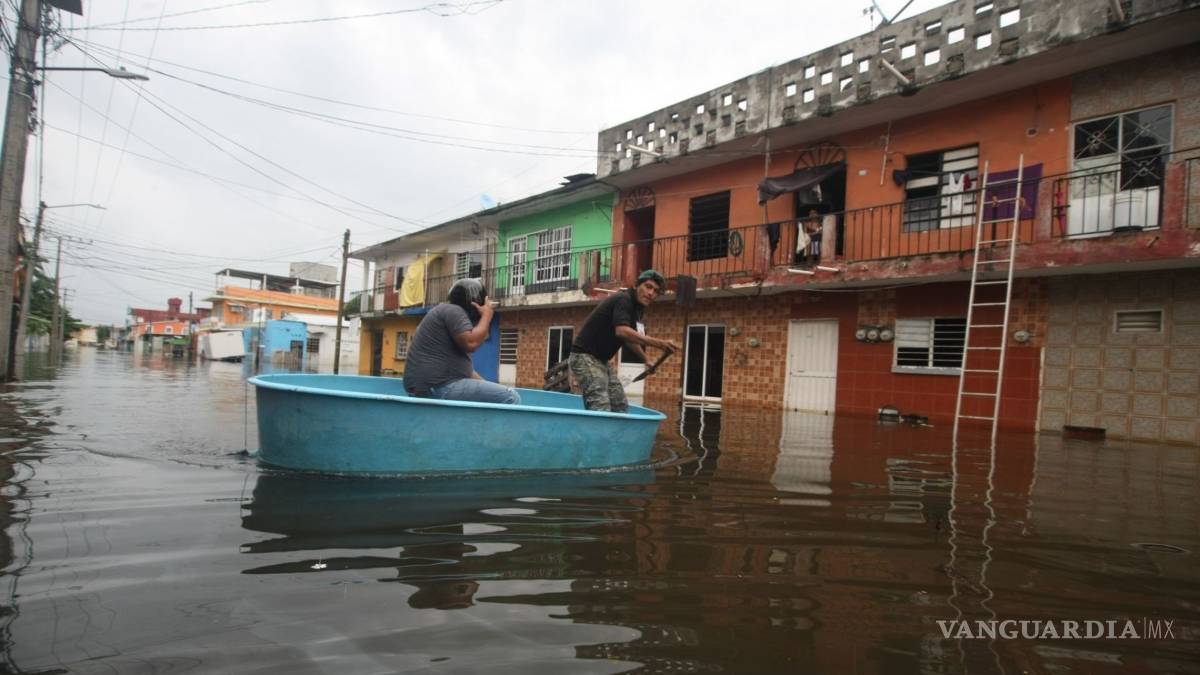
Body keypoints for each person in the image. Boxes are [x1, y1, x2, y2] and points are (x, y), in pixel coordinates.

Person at [568, 269, 679, 412]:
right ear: (636, 285)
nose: (651, 293)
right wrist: (660, 344)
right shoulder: (624, 299)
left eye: (656, 291)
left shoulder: (638, 309)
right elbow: (622, 331)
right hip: (584, 357)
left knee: (620, 406)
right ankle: (595, 432)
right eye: (648, 286)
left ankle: (616, 434)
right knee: (600, 406)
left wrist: (645, 359)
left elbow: (629, 339)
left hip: (601, 361)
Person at [403, 278, 520, 405]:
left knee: (498, 395)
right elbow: (471, 343)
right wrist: (487, 315)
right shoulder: (453, 311)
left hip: (429, 386)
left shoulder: (446, 314)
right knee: (510, 397)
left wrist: (489, 386)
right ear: (476, 302)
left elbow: (467, 371)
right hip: (438, 386)